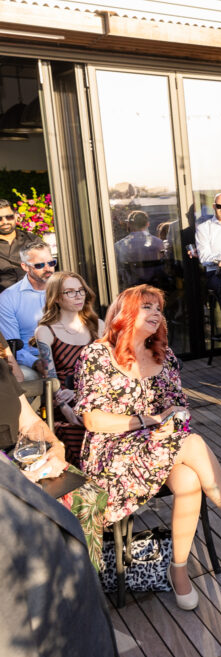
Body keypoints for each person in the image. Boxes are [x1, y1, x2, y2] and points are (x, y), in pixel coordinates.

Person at [78, 285, 221, 611]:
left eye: (159, 308)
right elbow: (93, 421)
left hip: (160, 446)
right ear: (125, 311)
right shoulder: (97, 355)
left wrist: (169, 425)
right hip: (113, 456)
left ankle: (178, 569)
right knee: (193, 443)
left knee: (190, 478)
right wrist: (152, 420)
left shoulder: (165, 354)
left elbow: (179, 412)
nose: (156, 313)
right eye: (147, 306)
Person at [0, 355, 116, 657]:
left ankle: (86, 592)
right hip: (8, 480)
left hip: (29, 460)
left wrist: (55, 447)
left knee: (89, 496)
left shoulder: (1, 370)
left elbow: (32, 422)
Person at [34, 271, 105, 467]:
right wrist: (66, 408)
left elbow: (109, 373)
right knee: (75, 431)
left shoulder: (98, 326)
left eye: (81, 290)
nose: (79, 295)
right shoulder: (45, 331)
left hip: (97, 396)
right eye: (70, 292)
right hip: (64, 401)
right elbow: (51, 377)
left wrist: (78, 392)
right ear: (56, 298)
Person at [0, 240, 56, 380]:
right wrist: (36, 362)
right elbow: (11, 346)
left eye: (51, 263)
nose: (48, 268)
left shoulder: (65, 289)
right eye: (40, 265)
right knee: (24, 378)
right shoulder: (8, 298)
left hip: (66, 353)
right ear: (25, 266)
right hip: (33, 357)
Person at [114, 210, 167, 288]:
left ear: (129, 224)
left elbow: (119, 271)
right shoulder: (158, 243)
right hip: (155, 287)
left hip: (132, 289)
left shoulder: (119, 245)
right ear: (147, 224)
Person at [0, 198, 38, 291]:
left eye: (9, 217)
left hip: (34, 296)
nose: (5, 222)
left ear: (16, 216)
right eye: (0, 218)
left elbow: (47, 267)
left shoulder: (32, 240)